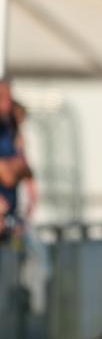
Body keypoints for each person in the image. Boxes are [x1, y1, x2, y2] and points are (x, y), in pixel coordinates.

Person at [0, 79, 32, 238]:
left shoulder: (10, 129)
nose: (7, 103)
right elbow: (7, 175)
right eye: (3, 98)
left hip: (9, 217)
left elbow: (24, 169)